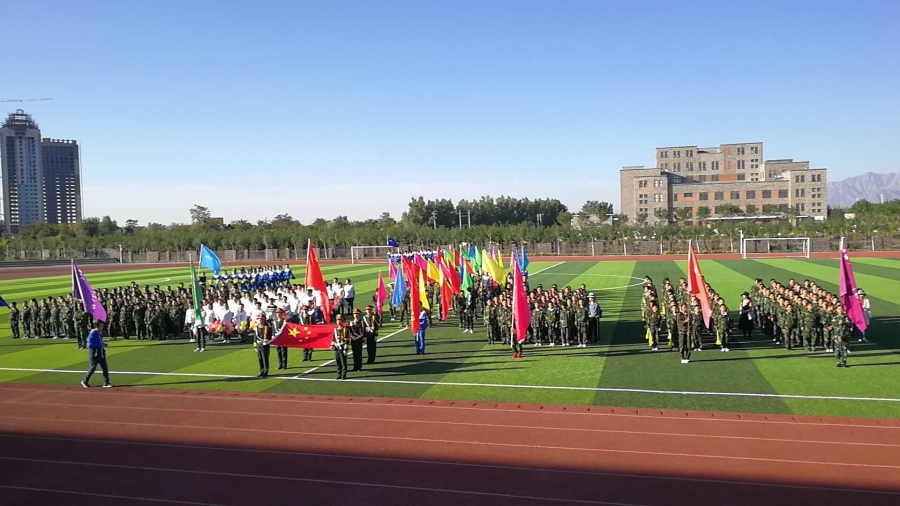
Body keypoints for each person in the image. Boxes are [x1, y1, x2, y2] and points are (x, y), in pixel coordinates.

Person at [81, 321, 113, 388]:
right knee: (92, 368)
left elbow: (100, 342)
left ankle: (106, 382)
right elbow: (90, 345)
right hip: (94, 354)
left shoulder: (99, 334)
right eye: (101, 326)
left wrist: (103, 344)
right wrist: (100, 345)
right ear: (96, 327)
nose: (102, 327)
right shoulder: (92, 334)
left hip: (101, 353)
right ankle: (84, 381)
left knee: (105, 368)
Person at [254, 314, 274, 378]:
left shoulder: (267, 327)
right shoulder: (257, 327)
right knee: (260, 359)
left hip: (265, 344)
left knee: (265, 358)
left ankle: (266, 371)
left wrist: (268, 341)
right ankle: (261, 371)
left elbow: (270, 335)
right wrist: (255, 345)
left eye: (262, 319)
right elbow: (255, 336)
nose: (260, 320)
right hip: (259, 344)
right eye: (259, 319)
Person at [331, 315, 349, 380]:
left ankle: (343, 375)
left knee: (343, 362)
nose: (338, 322)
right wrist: (332, 345)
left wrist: (345, 349)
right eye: (337, 320)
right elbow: (333, 339)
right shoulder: (335, 330)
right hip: (337, 348)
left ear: (342, 321)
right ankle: (339, 374)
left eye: (340, 320)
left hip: (342, 347)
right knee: (338, 362)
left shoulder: (345, 329)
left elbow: (347, 340)